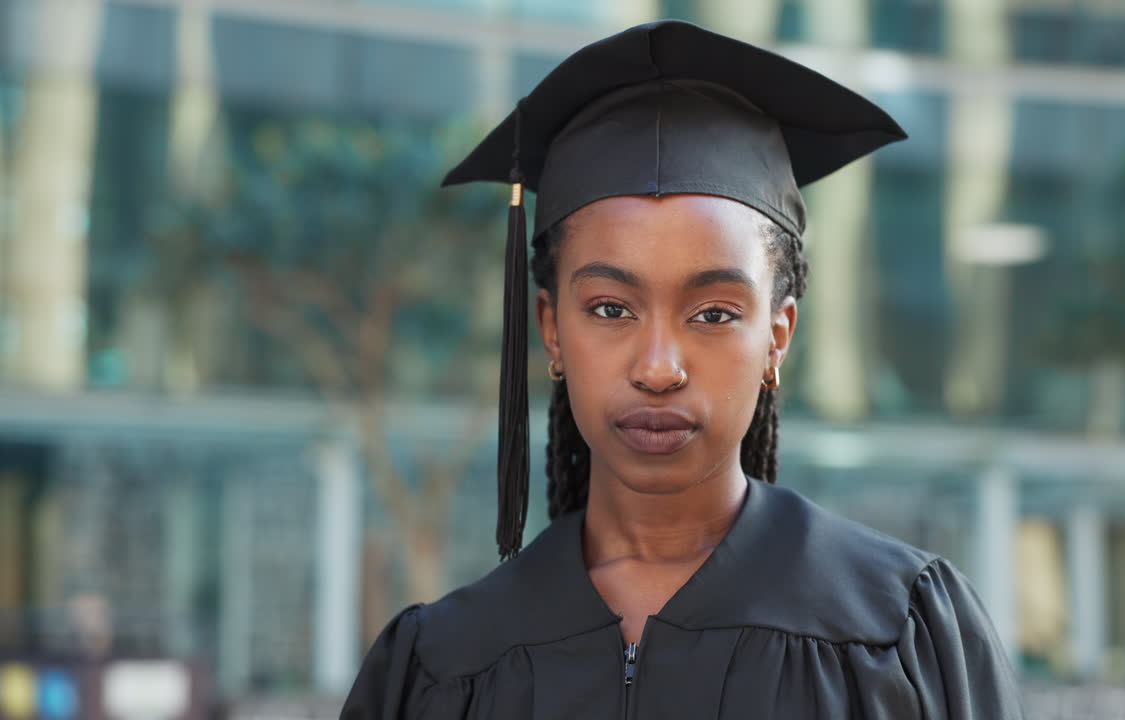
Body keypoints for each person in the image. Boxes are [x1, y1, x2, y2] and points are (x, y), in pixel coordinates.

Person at [341, 19, 1024, 719]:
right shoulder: (443, 665)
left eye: (714, 314)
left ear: (777, 336)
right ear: (550, 328)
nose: (659, 368)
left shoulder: (898, 631)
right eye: (610, 308)